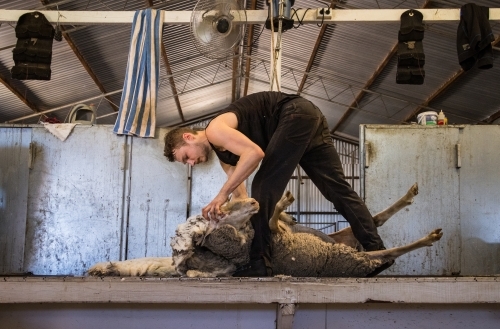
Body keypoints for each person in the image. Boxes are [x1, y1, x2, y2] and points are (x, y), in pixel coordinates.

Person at [164, 91, 390, 277]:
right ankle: (377, 251)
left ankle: (259, 262)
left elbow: (254, 153)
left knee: (263, 186)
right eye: (187, 163)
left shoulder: (215, 129)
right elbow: (244, 202)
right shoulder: (225, 157)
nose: (191, 163)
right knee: (336, 189)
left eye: (186, 157)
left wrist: (221, 195)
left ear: (188, 138)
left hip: (294, 114)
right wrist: (225, 216)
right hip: (309, 119)